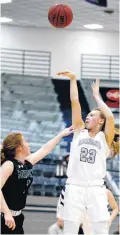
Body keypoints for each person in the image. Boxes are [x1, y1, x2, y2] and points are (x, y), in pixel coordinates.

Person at [57, 70, 115, 234]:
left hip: (96, 187)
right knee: (70, 228)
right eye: (87, 115)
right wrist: (73, 80)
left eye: (91, 115)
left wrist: (97, 97)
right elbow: (75, 101)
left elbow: (110, 117)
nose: (87, 117)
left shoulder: (104, 138)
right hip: (74, 186)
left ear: (100, 120)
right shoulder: (79, 132)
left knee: (101, 227)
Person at [0, 126, 74, 234]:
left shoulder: (27, 162)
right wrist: (7, 213)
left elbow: (45, 149)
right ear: (19, 147)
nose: (28, 144)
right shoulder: (9, 164)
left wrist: (61, 134)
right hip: (4, 217)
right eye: (25, 141)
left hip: (17, 217)